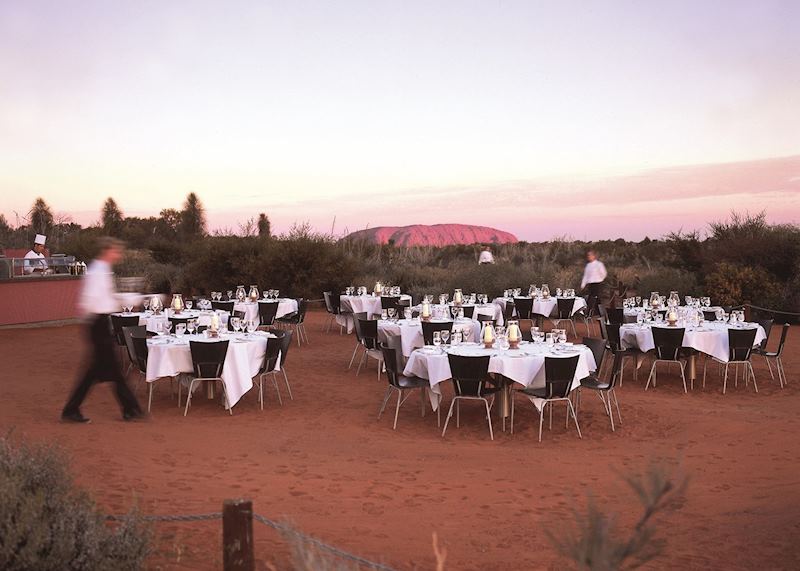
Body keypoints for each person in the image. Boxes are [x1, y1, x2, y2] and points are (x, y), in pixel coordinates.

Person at [61, 237, 144, 423]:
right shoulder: (97, 271)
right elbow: (90, 300)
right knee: (110, 369)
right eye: (116, 251)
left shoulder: (103, 270)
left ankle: (130, 409)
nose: (118, 254)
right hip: (97, 323)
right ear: (107, 251)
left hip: (100, 322)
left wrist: (124, 300)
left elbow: (106, 298)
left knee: (98, 371)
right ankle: (131, 409)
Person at [581, 249, 607, 315]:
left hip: (597, 284)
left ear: (593, 256)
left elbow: (604, 273)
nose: (589, 257)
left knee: (593, 298)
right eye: (588, 255)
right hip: (590, 284)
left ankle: (590, 313)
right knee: (594, 298)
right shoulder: (588, 265)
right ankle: (598, 312)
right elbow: (586, 276)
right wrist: (583, 285)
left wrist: (600, 279)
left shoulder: (599, 264)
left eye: (590, 255)